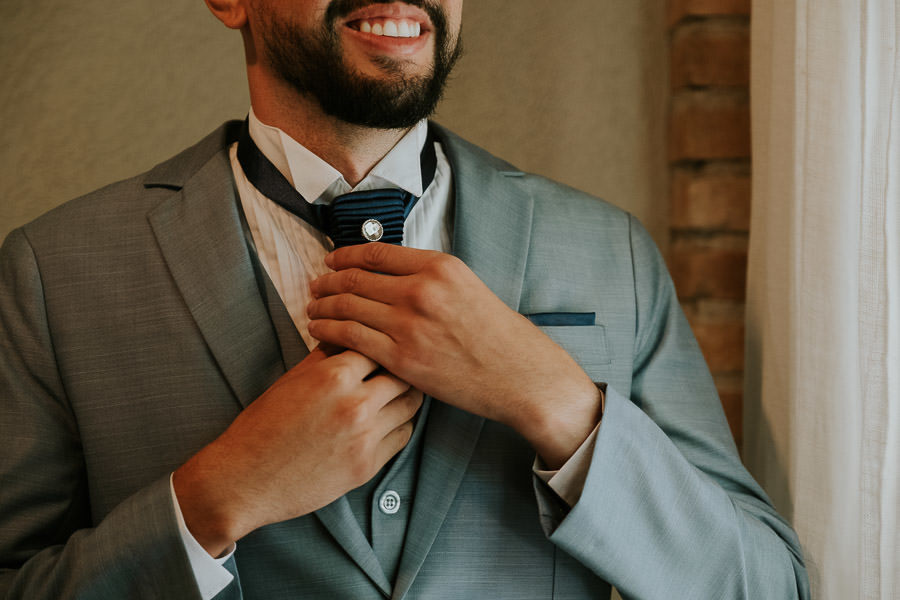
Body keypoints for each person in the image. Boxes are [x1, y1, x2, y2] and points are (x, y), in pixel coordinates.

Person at [0, 0, 810, 598]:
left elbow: (765, 586)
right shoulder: (53, 272)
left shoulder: (612, 251)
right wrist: (217, 498)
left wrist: (558, 402)